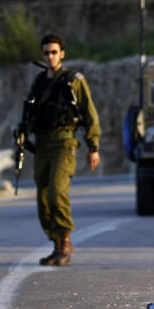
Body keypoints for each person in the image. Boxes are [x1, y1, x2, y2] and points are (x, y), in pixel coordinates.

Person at [25, 34, 100, 266]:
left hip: (65, 142)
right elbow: (28, 113)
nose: (50, 57)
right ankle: (56, 243)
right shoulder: (39, 82)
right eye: (46, 53)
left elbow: (89, 114)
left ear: (62, 54)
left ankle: (66, 240)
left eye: (54, 52)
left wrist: (93, 146)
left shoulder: (73, 80)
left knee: (56, 192)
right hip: (43, 144)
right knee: (42, 198)